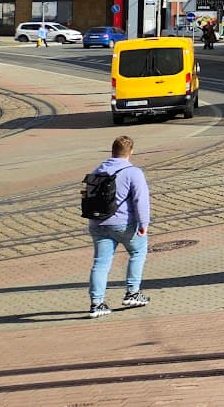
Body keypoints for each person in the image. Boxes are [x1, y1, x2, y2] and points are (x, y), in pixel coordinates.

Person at [87, 135, 151, 319]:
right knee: (138, 252)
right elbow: (141, 200)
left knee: (100, 263)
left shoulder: (97, 170)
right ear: (131, 152)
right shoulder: (133, 172)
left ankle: (96, 304)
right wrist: (143, 224)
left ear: (112, 151)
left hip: (98, 223)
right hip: (124, 224)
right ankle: (132, 293)